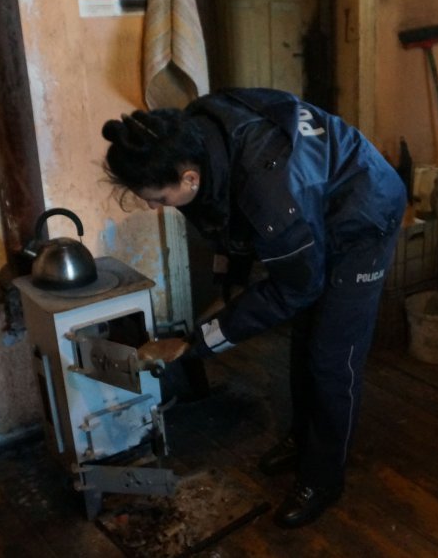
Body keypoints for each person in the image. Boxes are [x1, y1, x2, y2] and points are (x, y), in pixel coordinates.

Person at [102, 87, 407, 528]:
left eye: (160, 199)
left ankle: (324, 477)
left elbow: (295, 288)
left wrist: (195, 343)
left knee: (331, 357)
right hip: (314, 203)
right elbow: (227, 225)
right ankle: (304, 439)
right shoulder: (194, 138)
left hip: (364, 214)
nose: (152, 206)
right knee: (305, 339)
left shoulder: (269, 194)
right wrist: (227, 292)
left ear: (189, 178)